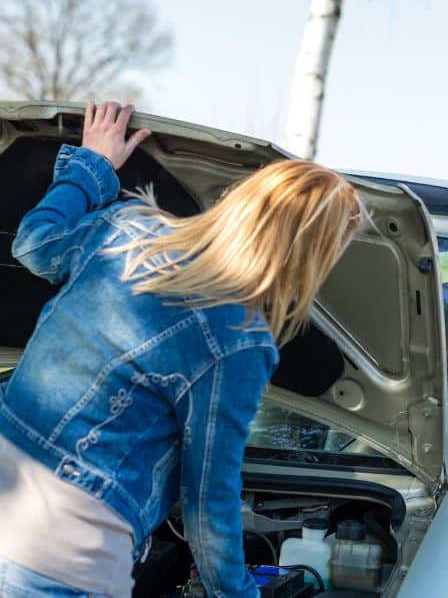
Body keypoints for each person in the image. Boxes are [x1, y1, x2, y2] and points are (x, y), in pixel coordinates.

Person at [0, 101, 365, 596]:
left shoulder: (129, 229)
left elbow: (34, 243)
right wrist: (236, 593)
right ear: (312, 256)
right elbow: (208, 499)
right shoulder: (238, 339)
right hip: (64, 548)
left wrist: (93, 166)